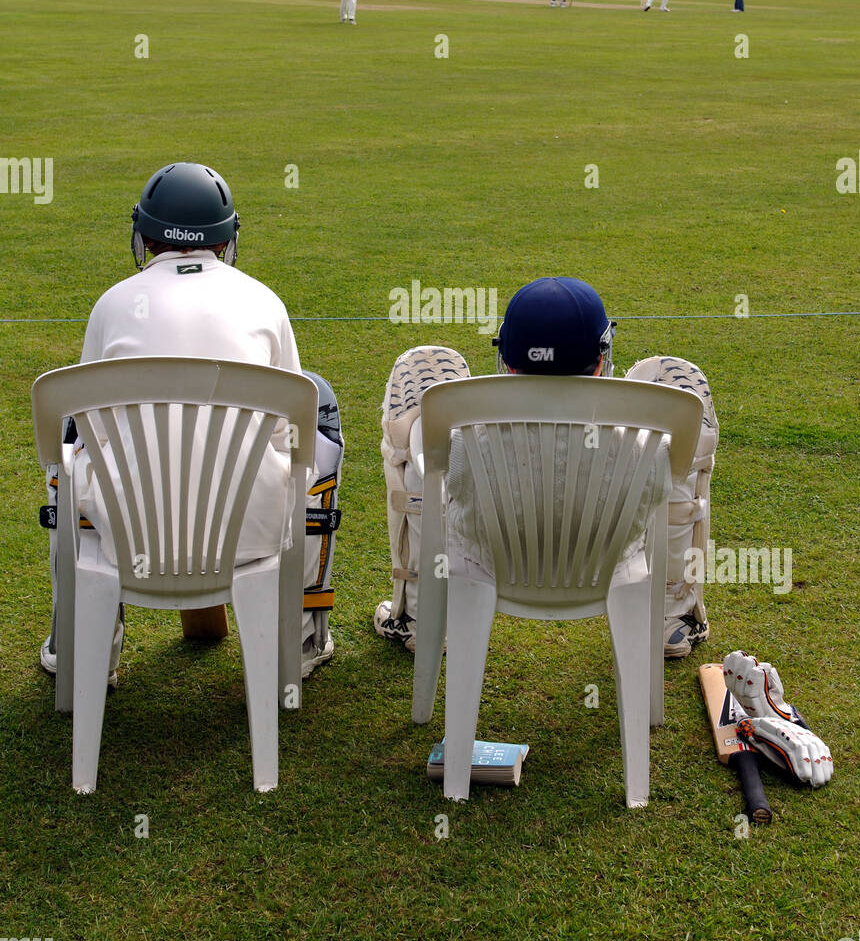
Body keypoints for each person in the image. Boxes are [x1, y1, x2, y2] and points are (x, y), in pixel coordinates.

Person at [39, 162, 342, 687]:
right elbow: (286, 434)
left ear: (145, 235)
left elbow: (93, 433)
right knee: (320, 409)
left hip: (129, 531)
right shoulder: (263, 301)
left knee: (68, 440)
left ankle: (82, 648)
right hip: (252, 528)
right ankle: (298, 640)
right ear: (226, 238)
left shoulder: (113, 304)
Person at [375, 277, 717, 660]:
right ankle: (672, 616)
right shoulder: (642, 442)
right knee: (687, 437)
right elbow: (670, 473)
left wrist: (424, 425)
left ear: (507, 359)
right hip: (607, 562)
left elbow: (430, 464)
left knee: (417, 432)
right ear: (601, 357)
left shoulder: (465, 439)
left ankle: (421, 614)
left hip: (485, 561)